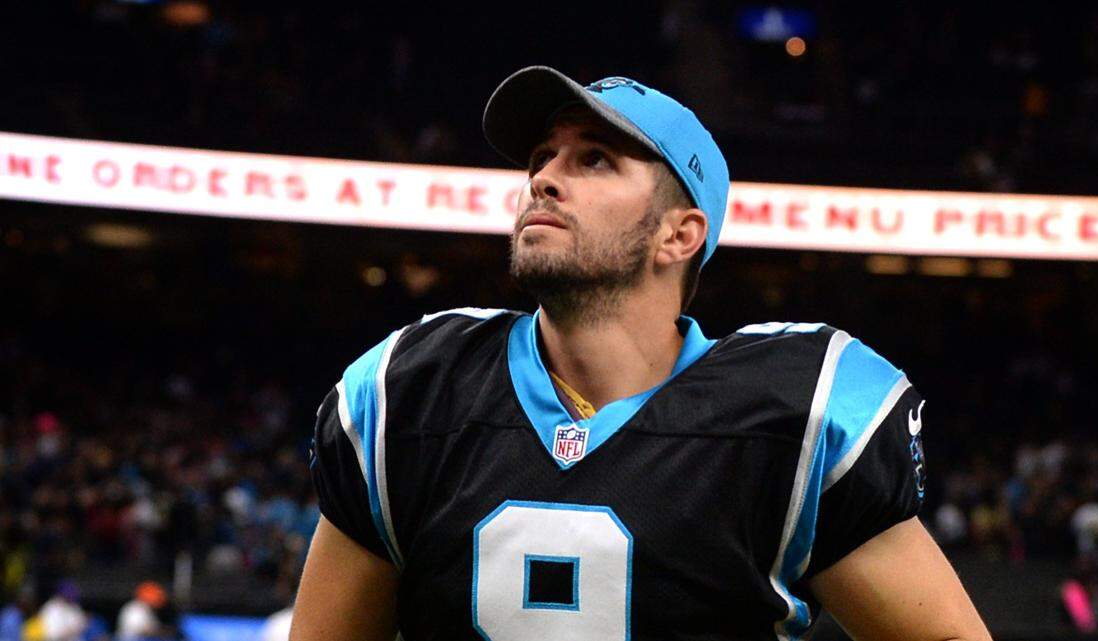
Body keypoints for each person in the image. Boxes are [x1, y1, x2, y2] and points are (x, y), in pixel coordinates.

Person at [291, 65, 991, 641]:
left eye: (593, 158)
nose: (544, 179)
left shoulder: (790, 419)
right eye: (543, 158)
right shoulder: (412, 389)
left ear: (680, 235)